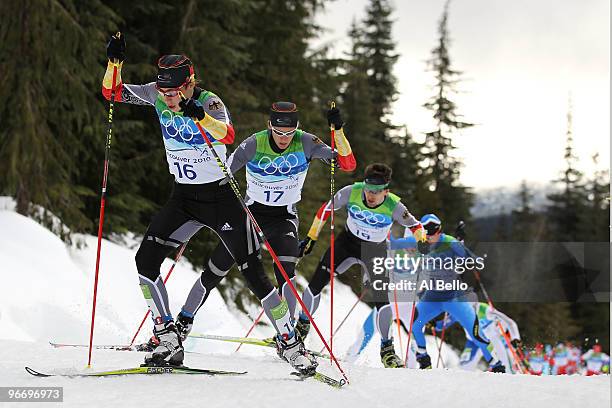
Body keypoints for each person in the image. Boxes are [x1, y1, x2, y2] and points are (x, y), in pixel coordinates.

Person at [102, 34, 303, 371]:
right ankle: (167, 336)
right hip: (183, 197)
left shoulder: (209, 102)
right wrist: (114, 63)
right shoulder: (155, 93)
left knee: (253, 273)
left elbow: (227, 134)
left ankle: (289, 341)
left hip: (220, 197)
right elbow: (112, 92)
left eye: (175, 92)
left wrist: (198, 116)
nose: (168, 98)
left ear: (190, 83)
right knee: (146, 261)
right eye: (164, 92)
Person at [176, 101, 355, 363]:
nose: (284, 139)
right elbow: (222, 173)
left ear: (297, 128)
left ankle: (288, 336)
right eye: (279, 132)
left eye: (289, 133)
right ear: (269, 126)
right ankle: (183, 322)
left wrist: (337, 131)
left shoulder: (306, 142)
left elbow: (347, 164)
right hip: (250, 215)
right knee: (216, 269)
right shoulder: (253, 143)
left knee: (286, 272)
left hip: (284, 218)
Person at [297, 163, 429, 368]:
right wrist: (311, 238)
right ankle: (300, 328)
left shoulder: (395, 206)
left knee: (382, 300)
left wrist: (422, 240)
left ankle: (387, 350)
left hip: (374, 251)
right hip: (346, 244)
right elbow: (325, 210)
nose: (371, 195)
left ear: (386, 190)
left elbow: (416, 226)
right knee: (316, 283)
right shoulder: (352, 192)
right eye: (368, 189)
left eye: (377, 192)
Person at [406, 214, 506, 373]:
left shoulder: (449, 242)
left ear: (439, 231)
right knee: (414, 325)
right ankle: (423, 359)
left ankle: (497, 365)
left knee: (476, 334)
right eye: (426, 235)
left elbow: (472, 259)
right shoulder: (422, 244)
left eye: (431, 234)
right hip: (432, 297)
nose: (429, 238)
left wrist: (470, 259)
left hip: (454, 298)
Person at [434, 302, 521, 373]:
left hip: (492, 341)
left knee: (504, 366)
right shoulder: (459, 311)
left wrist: (515, 337)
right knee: (464, 368)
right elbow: (442, 325)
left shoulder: (485, 310)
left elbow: (510, 322)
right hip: (473, 342)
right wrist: (432, 324)